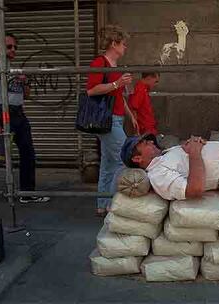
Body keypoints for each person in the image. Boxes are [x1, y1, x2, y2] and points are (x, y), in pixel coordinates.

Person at [0, 32, 49, 204]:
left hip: (19, 114)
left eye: (15, 47)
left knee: (28, 153)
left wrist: (25, 81)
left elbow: (25, 95)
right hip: (3, 113)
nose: (13, 50)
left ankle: (27, 193)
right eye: (9, 46)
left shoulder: (13, 69)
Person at [86, 25, 132, 217]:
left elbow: (118, 96)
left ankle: (102, 204)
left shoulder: (115, 67)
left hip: (116, 119)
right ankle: (112, 203)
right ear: (114, 44)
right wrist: (116, 83)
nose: (126, 47)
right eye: (123, 44)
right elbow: (91, 90)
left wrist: (130, 115)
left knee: (107, 163)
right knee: (124, 158)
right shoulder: (100, 63)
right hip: (108, 120)